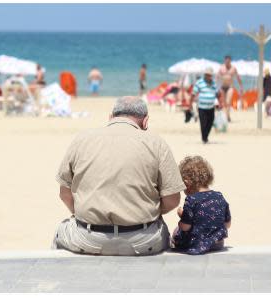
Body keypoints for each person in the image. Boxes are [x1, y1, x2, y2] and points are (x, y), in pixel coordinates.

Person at [53, 96, 186, 256]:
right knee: (166, 234)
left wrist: (85, 213)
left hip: (88, 238)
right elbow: (172, 199)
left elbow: (64, 193)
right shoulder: (157, 143)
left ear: (110, 117)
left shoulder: (82, 139)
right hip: (143, 239)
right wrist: (148, 211)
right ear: (145, 122)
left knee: (60, 232)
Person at [171, 156, 231, 255]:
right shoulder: (219, 196)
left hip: (196, 242)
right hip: (218, 243)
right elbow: (227, 225)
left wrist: (182, 217)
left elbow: (185, 227)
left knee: (176, 231)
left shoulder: (191, 200)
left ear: (186, 183)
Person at [191, 67, 218, 144]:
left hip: (211, 107)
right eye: (207, 75)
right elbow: (193, 94)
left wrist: (219, 103)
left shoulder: (214, 83)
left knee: (210, 122)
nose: (208, 76)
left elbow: (217, 94)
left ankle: (205, 137)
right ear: (205, 75)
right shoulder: (199, 82)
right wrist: (190, 104)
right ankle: (204, 138)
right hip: (201, 107)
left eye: (210, 75)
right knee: (203, 123)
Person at [216, 55, 244, 122]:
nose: (227, 62)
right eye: (226, 60)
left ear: (230, 61)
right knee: (224, 103)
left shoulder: (233, 68)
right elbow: (217, 77)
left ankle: (227, 116)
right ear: (225, 60)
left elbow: (238, 77)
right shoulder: (221, 68)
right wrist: (215, 86)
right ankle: (226, 115)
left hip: (230, 87)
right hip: (222, 87)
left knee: (228, 102)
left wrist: (241, 86)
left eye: (229, 61)